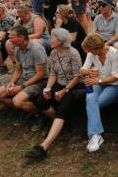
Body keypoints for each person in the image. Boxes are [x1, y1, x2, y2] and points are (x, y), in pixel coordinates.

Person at [24, 28, 84, 162]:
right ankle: (60, 125)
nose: (50, 40)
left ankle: (43, 147)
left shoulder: (73, 53)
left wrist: (64, 91)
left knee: (62, 108)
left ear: (61, 40)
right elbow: (52, 74)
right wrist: (48, 88)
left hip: (74, 86)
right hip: (59, 83)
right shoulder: (53, 53)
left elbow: (77, 76)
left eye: (53, 38)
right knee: (41, 101)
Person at [80, 33, 118, 152]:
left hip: (114, 86)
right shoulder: (91, 54)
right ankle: (96, 135)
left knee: (95, 103)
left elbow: (115, 77)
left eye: (90, 50)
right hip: (98, 83)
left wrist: (97, 80)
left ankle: (94, 135)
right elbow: (83, 70)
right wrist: (88, 71)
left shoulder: (114, 53)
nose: (88, 52)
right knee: (90, 99)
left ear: (97, 48)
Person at [0, 26, 47, 113]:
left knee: (17, 101)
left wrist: (21, 87)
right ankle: (25, 109)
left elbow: (40, 75)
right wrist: (12, 83)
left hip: (39, 82)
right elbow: (18, 70)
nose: (9, 40)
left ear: (21, 37)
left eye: (12, 38)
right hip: (24, 78)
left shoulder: (36, 49)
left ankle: (40, 114)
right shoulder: (17, 48)